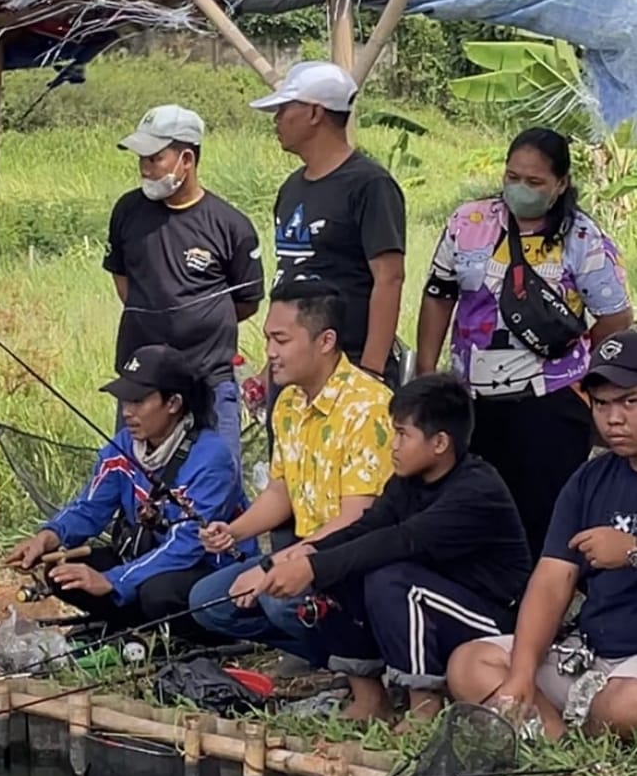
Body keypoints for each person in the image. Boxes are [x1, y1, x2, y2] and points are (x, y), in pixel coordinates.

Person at [258, 374, 531, 721]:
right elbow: (368, 528)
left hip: (493, 619)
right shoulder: (406, 482)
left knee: (392, 579)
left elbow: (402, 540)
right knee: (341, 570)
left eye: (403, 434)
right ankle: (370, 699)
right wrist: (311, 553)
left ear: (440, 443)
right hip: (434, 600)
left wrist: (314, 565)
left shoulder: (477, 490)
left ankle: (423, 704)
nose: (393, 446)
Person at [416, 127, 632, 559]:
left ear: (561, 184)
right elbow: (439, 293)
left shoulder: (582, 239)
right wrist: (427, 371)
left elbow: (616, 316)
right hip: (471, 399)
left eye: (534, 182)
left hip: (548, 401)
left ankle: (539, 618)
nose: (520, 189)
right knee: (475, 515)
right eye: (513, 177)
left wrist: (578, 370)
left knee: (543, 520)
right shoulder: (468, 223)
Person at [191, 280, 393, 667]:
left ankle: (364, 663)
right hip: (304, 551)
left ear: (325, 340)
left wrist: (272, 565)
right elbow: (281, 490)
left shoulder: (368, 407)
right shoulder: (287, 403)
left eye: (281, 341)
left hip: (350, 560)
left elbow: (356, 519)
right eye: (268, 339)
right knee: (208, 602)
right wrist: (233, 531)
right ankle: (324, 656)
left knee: (275, 597)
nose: (269, 353)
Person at [448, 330, 637, 740]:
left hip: (631, 678)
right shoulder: (589, 479)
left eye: (630, 401)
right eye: (601, 404)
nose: (614, 418)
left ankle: (574, 723)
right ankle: (557, 740)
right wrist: (521, 674)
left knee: (626, 705)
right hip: (591, 657)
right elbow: (552, 580)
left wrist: (633, 552)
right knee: (469, 664)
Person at [6, 344, 251, 640]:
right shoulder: (122, 446)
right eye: (124, 401)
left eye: (138, 401)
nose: (127, 412)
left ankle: (197, 634)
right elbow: (90, 507)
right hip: (149, 560)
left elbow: (186, 547)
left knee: (157, 594)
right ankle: (140, 629)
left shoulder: (213, 459)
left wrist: (112, 580)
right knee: (64, 573)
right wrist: (47, 537)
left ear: (173, 403)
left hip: (208, 569)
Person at [106, 105, 266, 464]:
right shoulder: (127, 211)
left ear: (187, 159)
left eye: (155, 158)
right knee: (133, 480)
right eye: (141, 160)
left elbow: (246, 301)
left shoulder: (230, 225)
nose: (146, 169)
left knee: (217, 479)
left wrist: (198, 323)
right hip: (141, 383)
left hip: (208, 379)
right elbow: (122, 278)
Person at [250, 61, 406, 385]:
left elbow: (389, 278)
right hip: (294, 372)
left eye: (283, 109)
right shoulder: (291, 188)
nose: (276, 120)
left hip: (346, 367)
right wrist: (270, 369)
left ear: (314, 113)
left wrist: (371, 372)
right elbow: (289, 276)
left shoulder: (369, 185)